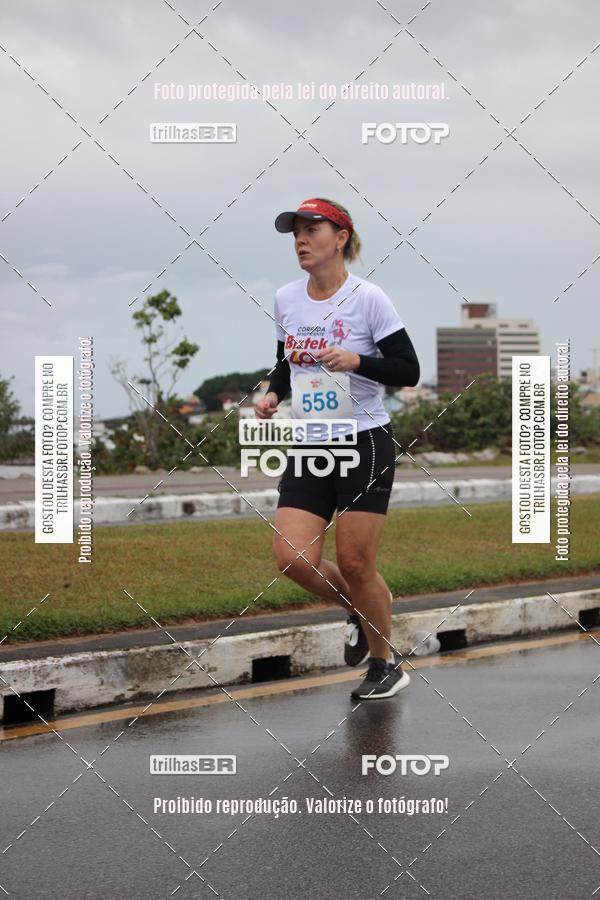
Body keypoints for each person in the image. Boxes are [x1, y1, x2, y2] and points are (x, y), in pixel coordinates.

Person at [254, 198, 420, 699]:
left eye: (312, 230)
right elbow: (286, 362)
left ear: (341, 237)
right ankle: (359, 608)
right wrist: (272, 393)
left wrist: (356, 360)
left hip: (365, 440)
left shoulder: (369, 298)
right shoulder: (286, 298)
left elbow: (408, 370)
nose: (301, 240)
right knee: (291, 558)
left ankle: (385, 664)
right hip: (310, 442)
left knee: (354, 564)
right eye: (296, 233)